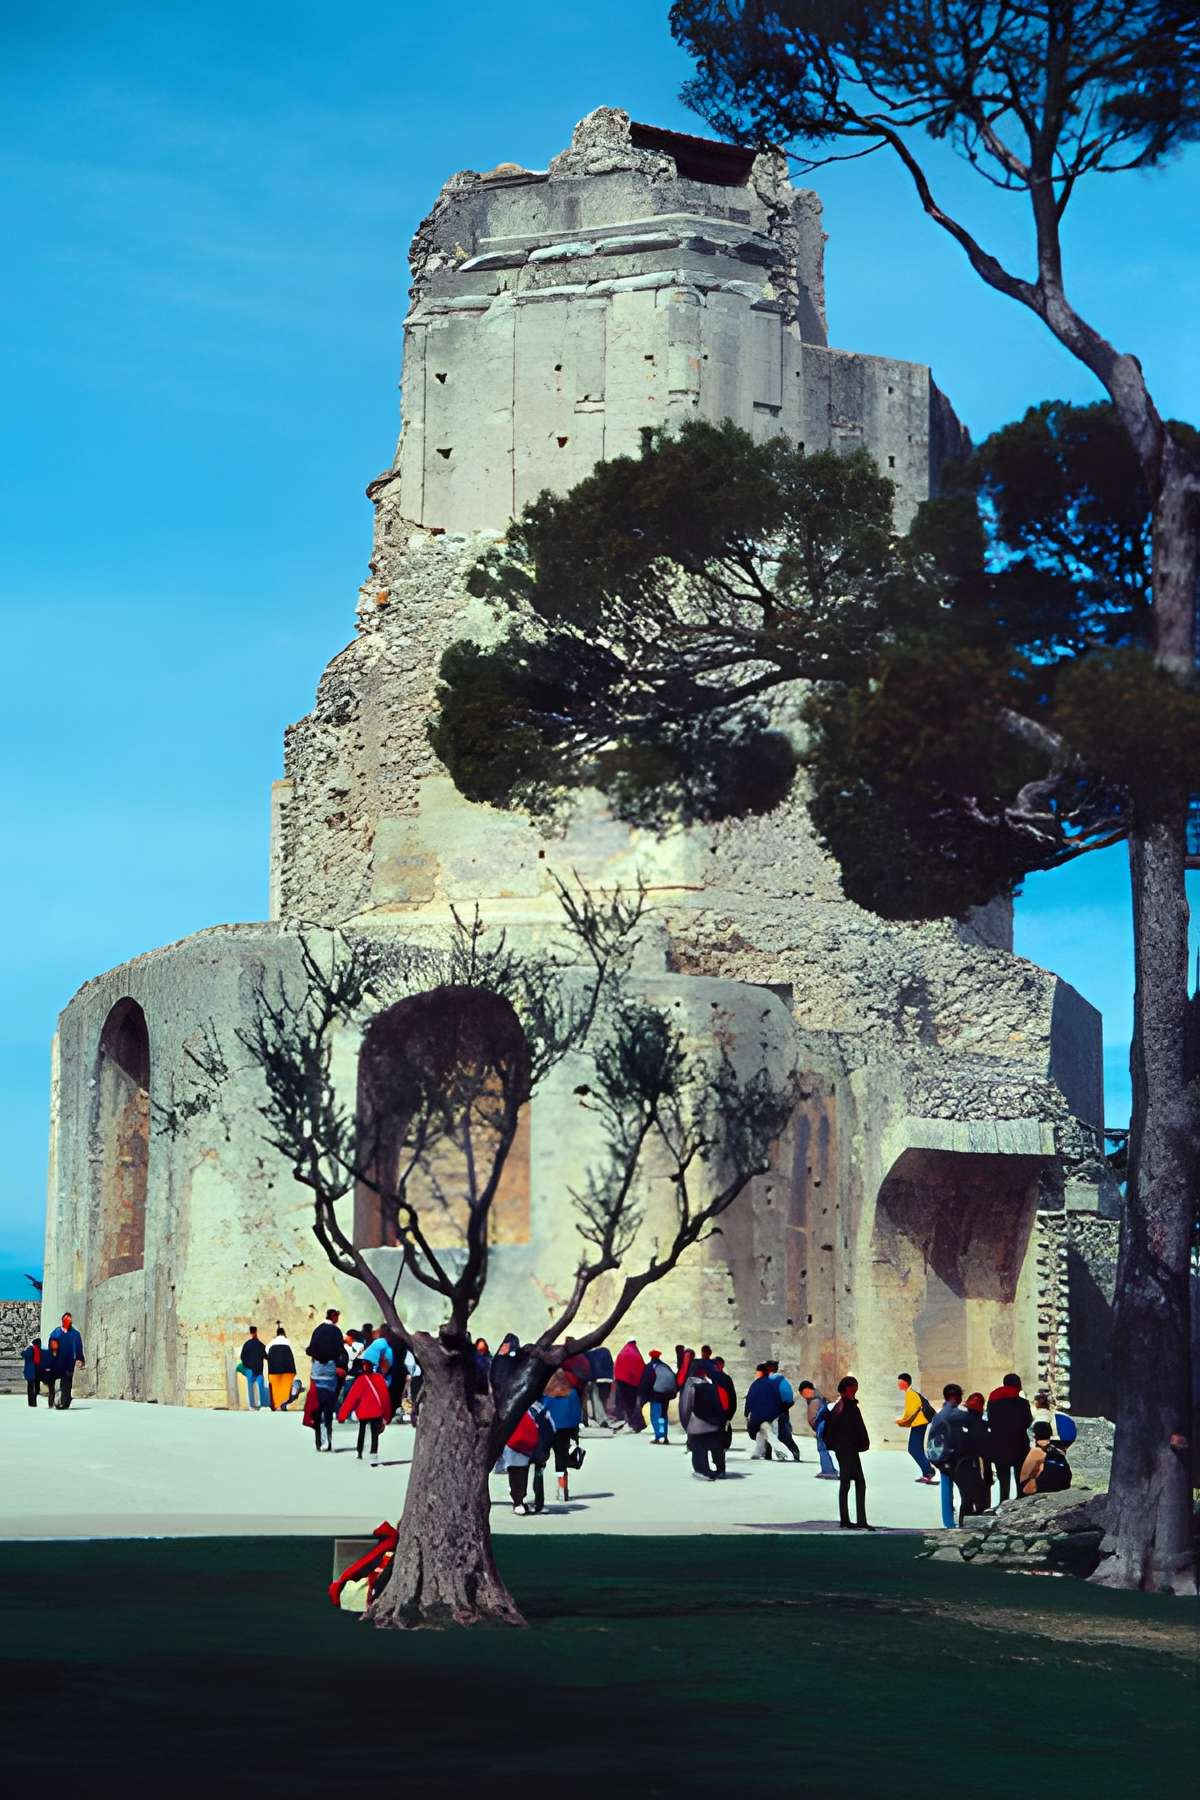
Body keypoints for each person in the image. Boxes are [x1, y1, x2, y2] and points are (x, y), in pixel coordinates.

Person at [823, 1375, 872, 1529]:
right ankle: (853, 1520)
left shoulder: (842, 1406)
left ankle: (851, 1520)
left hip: (846, 1450)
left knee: (852, 1484)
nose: (855, 1390)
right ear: (847, 1389)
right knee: (853, 1484)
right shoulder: (845, 1407)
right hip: (847, 1450)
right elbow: (852, 1429)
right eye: (853, 1388)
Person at [926, 1384, 969, 1529]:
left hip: (939, 1454)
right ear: (956, 1397)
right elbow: (968, 1418)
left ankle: (949, 1520)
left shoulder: (941, 1413)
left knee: (946, 1486)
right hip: (947, 1455)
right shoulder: (951, 1413)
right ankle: (950, 1522)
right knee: (954, 1487)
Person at [501, 1399, 555, 1515]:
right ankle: (520, 1502)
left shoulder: (538, 1407)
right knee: (520, 1474)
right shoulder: (511, 1405)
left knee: (528, 1474)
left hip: (531, 1446)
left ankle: (531, 1502)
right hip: (519, 1445)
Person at [986, 1373, 1033, 1502]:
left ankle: (1003, 1504)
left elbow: (990, 1421)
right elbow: (1028, 1422)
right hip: (1019, 1446)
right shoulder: (1023, 1403)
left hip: (999, 1446)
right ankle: (1020, 1506)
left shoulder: (993, 1402)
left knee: (1004, 1481)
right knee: (1020, 1479)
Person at [680, 1358, 727, 1479]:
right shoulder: (712, 1385)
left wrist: (686, 1425)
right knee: (712, 1445)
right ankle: (719, 1469)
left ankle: (702, 1470)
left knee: (698, 1448)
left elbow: (686, 1407)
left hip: (696, 1424)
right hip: (713, 1424)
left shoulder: (691, 1385)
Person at [542, 1367, 583, 1502]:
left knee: (540, 1460)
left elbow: (540, 1411)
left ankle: (539, 1490)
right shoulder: (572, 1394)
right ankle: (562, 1489)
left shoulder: (546, 1394)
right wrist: (575, 1432)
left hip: (547, 1430)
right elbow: (577, 1414)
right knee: (561, 1461)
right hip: (565, 1431)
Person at [338, 1360, 393, 1460]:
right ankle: (373, 1452)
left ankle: (360, 1451)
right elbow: (385, 1398)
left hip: (363, 1412)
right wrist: (386, 1416)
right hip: (376, 1412)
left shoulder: (360, 1380)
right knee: (374, 1432)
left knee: (362, 1431)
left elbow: (351, 1399)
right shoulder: (379, 1378)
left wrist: (342, 1415)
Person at [954, 1393, 994, 1523]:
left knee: (966, 1500)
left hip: (962, 1467)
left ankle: (962, 1525)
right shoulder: (984, 1427)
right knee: (982, 1502)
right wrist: (988, 1477)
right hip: (979, 1467)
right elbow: (987, 1454)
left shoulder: (959, 1425)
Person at [745, 1363, 793, 1462]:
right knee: (763, 1433)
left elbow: (750, 1399)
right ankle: (758, 1453)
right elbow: (781, 1398)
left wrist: (747, 1413)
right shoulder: (773, 1383)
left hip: (762, 1414)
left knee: (770, 1435)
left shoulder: (756, 1384)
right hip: (774, 1414)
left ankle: (784, 1453)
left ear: (760, 1372)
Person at [895, 1373, 936, 1483]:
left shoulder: (910, 1394)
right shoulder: (911, 1393)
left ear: (905, 1383)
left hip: (919, 1423)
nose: (898, 1384)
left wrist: (902, 1421)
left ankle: (929, 1470)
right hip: (920, 1423)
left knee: (913, 1449)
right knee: (917, 1448)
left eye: (900, 1382)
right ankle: (926, 1472)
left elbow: (911, 1412)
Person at [798, 1379, 838, 1478]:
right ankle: (830, 1469)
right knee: (825, 1449)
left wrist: (818, 1428)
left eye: (805, 1392)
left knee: (822, 1449)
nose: (804, 1395)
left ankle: (828, 1470)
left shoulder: (816, 1400)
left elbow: (817, 1417)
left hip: (822, 1426)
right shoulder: (818, 1399)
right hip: (823, 1426)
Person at [1019, 1422, 1073, 1495]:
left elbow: (1023, 1478)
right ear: (1050, 1434)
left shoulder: (1035, 1451)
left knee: (1026, 1484)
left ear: (1035, 1435)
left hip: (1044, 1486)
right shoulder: (1058, 1449)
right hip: (1063, 1485)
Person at [640, 1348, 676, 1443]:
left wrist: (643, 1396)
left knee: (656, 1416)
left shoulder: (650, 1367)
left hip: (656, 1395)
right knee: (663, 1416)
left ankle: (659, 1436)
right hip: (666, 1395)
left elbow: (645, 1382)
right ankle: (664, 1436)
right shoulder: (665, 1366)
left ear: (651, 1357)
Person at [767, 1361, 802, 1460]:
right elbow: (788, 1398)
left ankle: (768, 1455)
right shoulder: (783, 1380)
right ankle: (795, 1452)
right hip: (783, 1409)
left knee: (770, 1432)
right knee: (782, 1433)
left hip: (774, 1409)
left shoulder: (770, 1380)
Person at [51, 1312, 85, 1409]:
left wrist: (80, 1359)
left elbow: (78, 1347)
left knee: (67, 1381)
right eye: (66, 1320)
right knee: (58, 1381)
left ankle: (64, 1401)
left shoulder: (75, 1334)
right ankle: (60, 1399)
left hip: (69, 1362)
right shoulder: (56, 1332)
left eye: (69, 1320)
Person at [611, 1339, 646, 1431]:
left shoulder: (622, 1353)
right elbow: (641, 1369)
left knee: (623, 1404)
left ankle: (625, 1420)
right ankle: (635, 1423)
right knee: (633, 1404)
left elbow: (616, 1367)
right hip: (633, 1384)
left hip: (621, 1382)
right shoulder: (636, 1354)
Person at [266, 1325, 297, 1411]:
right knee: (286, 1386)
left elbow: (266, 1351)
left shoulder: (272, 1342)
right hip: (288, 1368)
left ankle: (277, 1405)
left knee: (276, 1387)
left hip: (274, 1368)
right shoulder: (287, 1341)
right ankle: (284, 1404)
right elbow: (292, 1351)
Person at [239, 1325, 268, 1410]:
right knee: (260, 1386)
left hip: (250, 1369)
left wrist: (247, 1364)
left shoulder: (247, 1344)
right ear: (256, 1332)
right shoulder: (260, 1345)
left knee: (250, 1387)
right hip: (259, 1370)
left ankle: (252, 1405)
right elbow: (266, 1356)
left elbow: (242, 1357)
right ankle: (262, 1405)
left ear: (250, 1332)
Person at [586, 1342, 614, 1426]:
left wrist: (590, 1379)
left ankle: (601, 1418)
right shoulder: (606, 1351)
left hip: (597, 1380)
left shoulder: (591, 1354)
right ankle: (605, 1416)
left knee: (596, 1398)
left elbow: (590, 1367)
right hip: (608, 1379)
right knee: (605, 1398)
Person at [22, 1336, 44, 1407]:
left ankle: (32, 1402)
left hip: (31, 1372)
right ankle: (34, 1401)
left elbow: (24, 1354)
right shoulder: (40, 1350)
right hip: (37, 1372)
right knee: (36, 1387)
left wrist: (24, 1350)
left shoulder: (30, 1349)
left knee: (30, 1387)